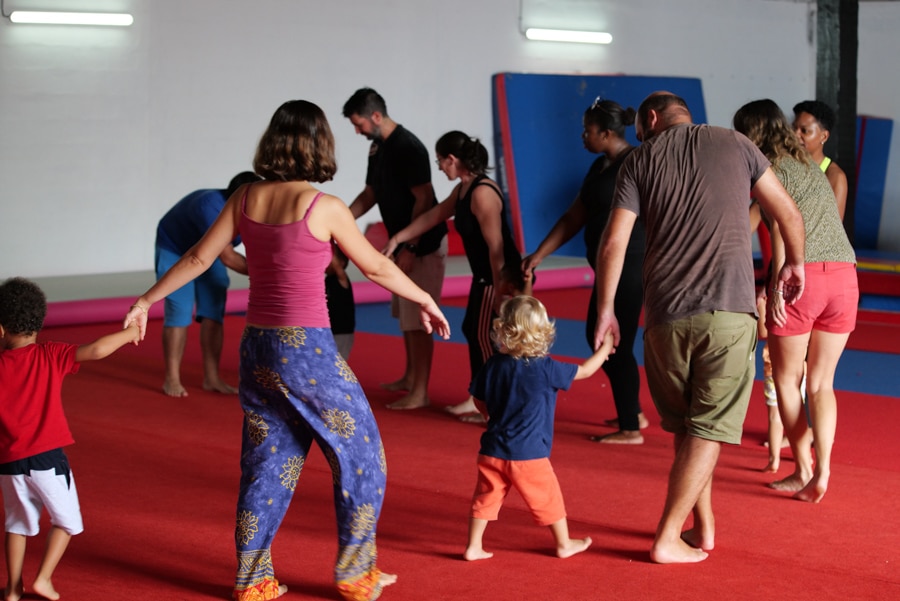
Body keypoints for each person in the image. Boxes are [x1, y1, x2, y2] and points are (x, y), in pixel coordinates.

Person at [123, 100, 451, 601]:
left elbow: (197, 257)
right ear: (321, 145)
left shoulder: (245, 199)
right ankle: (356, 573)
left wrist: (147, 300)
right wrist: (426, 297)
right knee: (363, 455)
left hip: (257, 349)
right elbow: (377, 269)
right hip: (306, 352)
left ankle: (253, 580)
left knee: (267, 463)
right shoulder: (325, 207)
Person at [592, 92, 806, 564]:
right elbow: (788, 212)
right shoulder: (736, 144)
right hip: (728, 314)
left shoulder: (638, 160)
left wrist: (606, 308)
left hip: (664, 317)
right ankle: (667, 537)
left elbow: (614, 244)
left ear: (649, 120)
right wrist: (795, 265)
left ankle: (702, 526)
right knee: (707, 429)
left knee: (690, 427)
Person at [734, 99, 858, 503]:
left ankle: (803, 467)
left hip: (803, 279)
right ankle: (823, 471)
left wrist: (774, 289)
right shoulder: (811, 166)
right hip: (845, 278)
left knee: (788, 380)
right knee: (822, 383)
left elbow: (787, 227)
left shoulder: (767, 171)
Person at [0, 277, 140, 601]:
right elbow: (97, 349)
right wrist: (132, 332)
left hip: (8, 461)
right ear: (38, 324)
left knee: (16, 524)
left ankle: (12, 587)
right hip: (48, 459)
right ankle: (43, 579)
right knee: (67, 523)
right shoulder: (49, 354)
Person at [522, 98, 648, 444]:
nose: (582, 137)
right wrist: (539, 255)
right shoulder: (599, 168)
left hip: (630, 265)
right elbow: (573, 217)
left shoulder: (635, 163)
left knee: (613, 342)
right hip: (606, 267)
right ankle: (632, 411)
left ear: (606, 133)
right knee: (599, 334)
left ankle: (631, 428)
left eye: (587, 131)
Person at [382, 131, 524, 423]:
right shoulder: (464, 189)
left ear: (452, 159)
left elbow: (497, 247)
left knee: (483, 335)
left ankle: (488, 405)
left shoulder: (483, 192)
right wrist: (398, 238)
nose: (439, 168)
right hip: (483, 277)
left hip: (495, 277)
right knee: (475, 330)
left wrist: (500, 290)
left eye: (440, 162)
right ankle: (481, 398)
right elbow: (433, 216)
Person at [464, 295, 613, 561]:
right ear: (542, 332)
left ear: (502, 329)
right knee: (548, 497)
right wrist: (605, 348)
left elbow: (478, 398)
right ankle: (564, 543)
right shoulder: (546, 368)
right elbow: (586, 371)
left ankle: (474, 546)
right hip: (528, 454)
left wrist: (489, 416)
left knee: (485, 497)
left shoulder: (494, 365)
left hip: (492, 449)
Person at [343, 88, 448, 410]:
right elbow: (370, 193)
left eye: (359, 124)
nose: (357, 131)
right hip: (401, 242)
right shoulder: (378, 148)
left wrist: (411, 245)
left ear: (376, 115)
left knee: (419, 319)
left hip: (423, 245)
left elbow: (424, 198)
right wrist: (340, 219)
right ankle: (409, 376)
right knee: (405, 317)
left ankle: (420, 390)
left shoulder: (408, 147)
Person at [155, 171, 261, 397]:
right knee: (180, 310)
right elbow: (229, 257)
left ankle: (211, 378)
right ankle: (171, 378)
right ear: (239, 197)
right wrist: (273, 275)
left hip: (206, 253)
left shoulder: (257, 209)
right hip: (176, 249)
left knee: (214, 311)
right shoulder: (210, 207)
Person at [792, 100, 848, 219]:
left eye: (804, 131)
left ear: (824, 136)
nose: (795, 135)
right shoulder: (787, 168)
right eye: (794, 128)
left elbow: (833, 229)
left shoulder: (835, 177)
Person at [326, 242, 356, 361]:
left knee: (339, 361)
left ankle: (340, 379)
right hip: (331, 329)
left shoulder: (342, 279)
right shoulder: (327, 280)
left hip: (343, 331)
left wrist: (326, 242)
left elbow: (335, 264)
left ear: (341, 263)